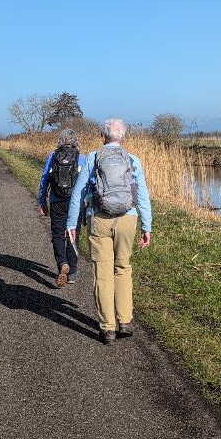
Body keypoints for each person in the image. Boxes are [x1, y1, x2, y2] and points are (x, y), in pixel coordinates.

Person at [66, 118, 152, 344]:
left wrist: (71, 224)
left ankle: (108, 329)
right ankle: (125, 321)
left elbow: (78, 193)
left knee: (103, 273)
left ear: (102, 136)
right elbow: (142, 195)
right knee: (123, 268)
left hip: (99, 219)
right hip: (127, 219)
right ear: (122, 137)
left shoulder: (93, 158)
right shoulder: (133, 160)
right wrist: (147, 225)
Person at [39, 129, 85, 287]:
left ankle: (62, 263)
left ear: (60, 140)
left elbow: (44, 180)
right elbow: (89, 183)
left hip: (56, 201)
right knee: (73, 235)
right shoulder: (82, 158)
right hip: (75, 203)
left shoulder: (52, 157)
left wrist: (42, 201)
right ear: (75, 141)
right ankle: (72, 273)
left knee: (58, 235)